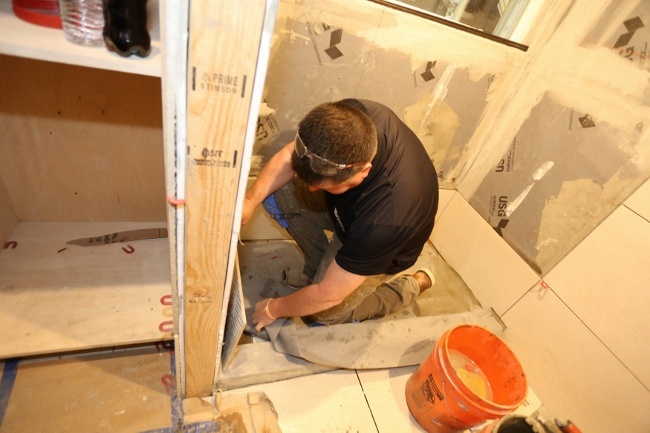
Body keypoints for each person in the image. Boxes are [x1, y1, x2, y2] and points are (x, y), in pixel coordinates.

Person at [242, 99, 439, 333]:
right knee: (278, 192)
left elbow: (329, 296)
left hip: (379, 243)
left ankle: (411, 286)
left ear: (363, 171)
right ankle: (317, 271)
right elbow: (290, 155)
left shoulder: (385, 221)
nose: (311, 191)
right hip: (352, 216)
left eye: (326, 186)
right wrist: (249, 201)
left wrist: (273, 309)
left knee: (323, 315)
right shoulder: (352, 117)